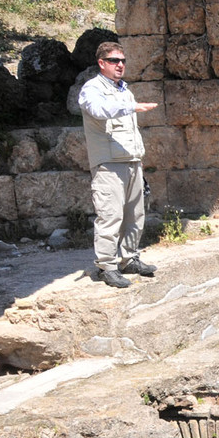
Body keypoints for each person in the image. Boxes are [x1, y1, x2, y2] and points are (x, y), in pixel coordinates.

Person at [79, 41, 158, 289]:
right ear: (101, 63)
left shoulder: (125, 90)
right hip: (109, 164)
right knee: (110, 216)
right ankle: (107, 266)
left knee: (135, 215)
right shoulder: (91, 89)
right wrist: (130, 106)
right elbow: (98, 110)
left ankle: (128, 258)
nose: (120, 65)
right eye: (114, 61)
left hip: (132, 161)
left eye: (122, 61)